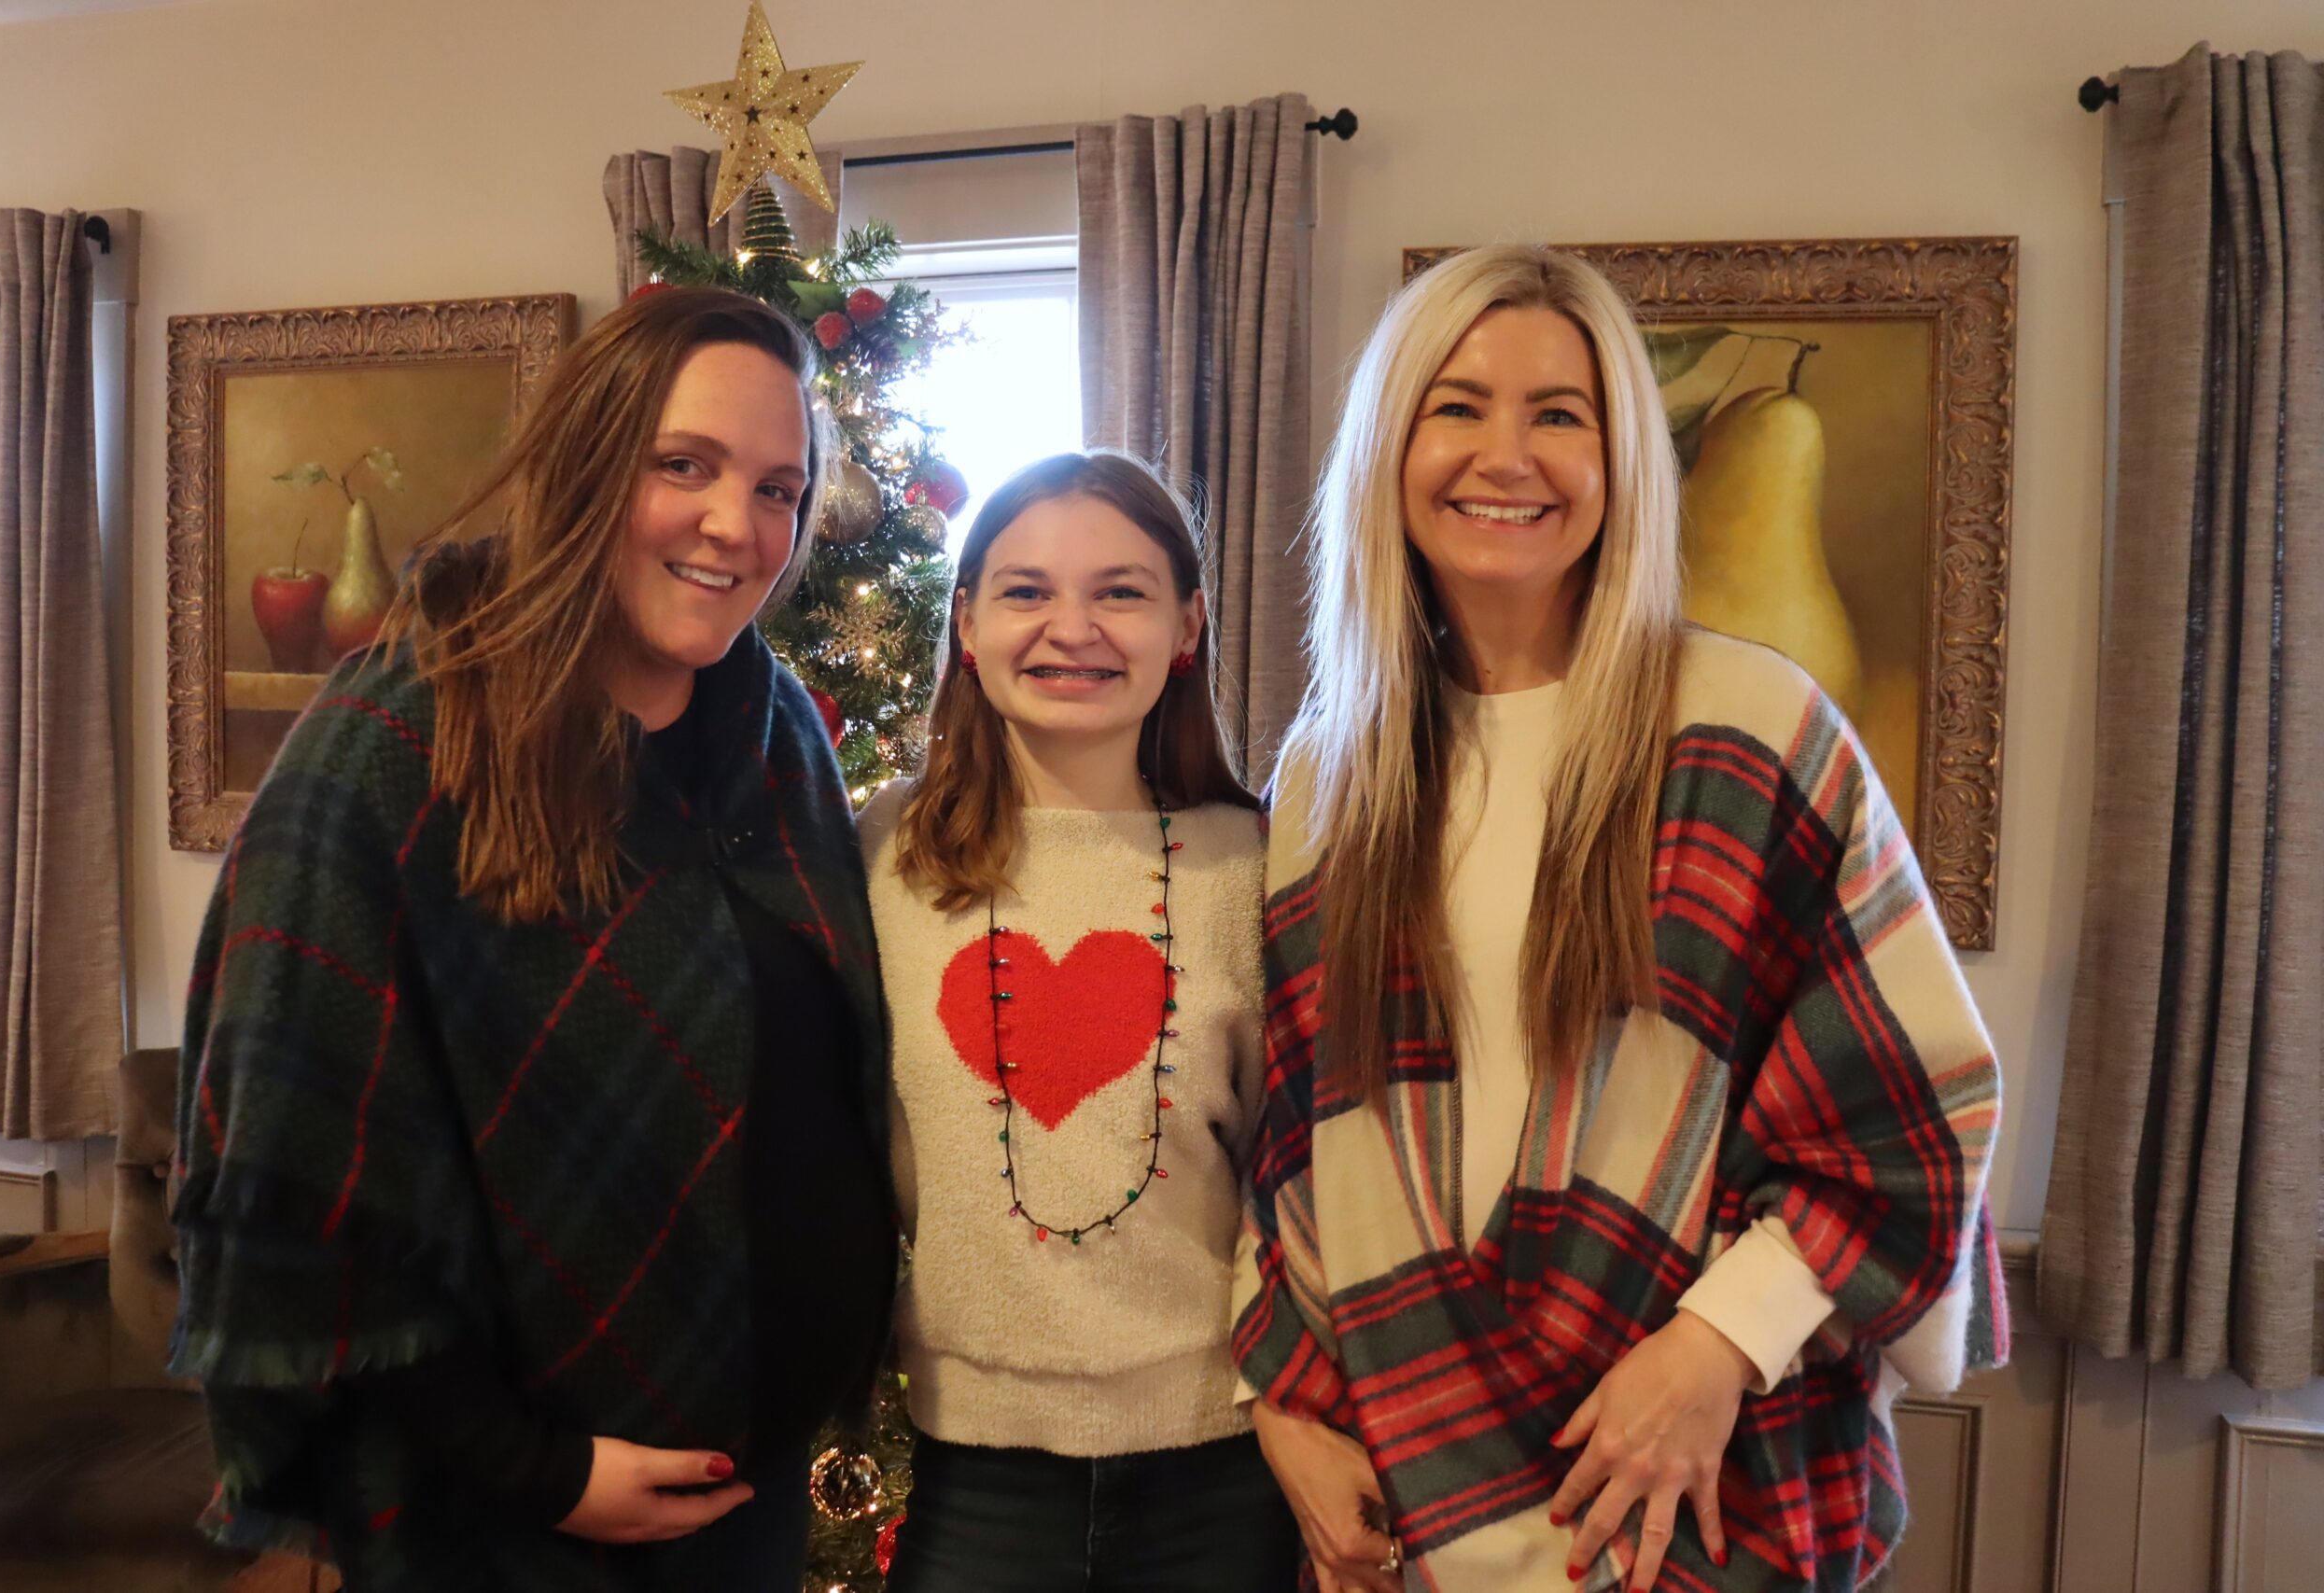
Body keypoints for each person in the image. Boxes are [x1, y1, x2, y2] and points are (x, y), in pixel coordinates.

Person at [1231, 245, 2005, 1593]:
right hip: (1405, 1475)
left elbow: (1917, 1107)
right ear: (1390, 445)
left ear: (1623, 459)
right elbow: (1295, 1138)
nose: (1505, 454)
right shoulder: (1327, 774)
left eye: (1560, 414)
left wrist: (1718, 1345)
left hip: (1686, 1478)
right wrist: (1282, 1399)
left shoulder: (1751, 729)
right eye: (1457, 405)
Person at [171, 286, 896, 1591]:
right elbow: (286, 1163)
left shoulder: (769, 723)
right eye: (686, 465)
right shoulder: (399, 738)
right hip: (519, 1515)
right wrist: (531, 1464)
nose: (741, 526)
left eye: (781, 488)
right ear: (585, 462)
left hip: (755, 1482)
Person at [860, 452, 1299, 1593]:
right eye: (1024, 591)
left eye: (1119, 590)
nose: (1073, 628)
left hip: (1224, 1460)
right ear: (964, 622)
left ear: (1187, 621)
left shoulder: (1253, 869)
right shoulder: (875, 859)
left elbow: (1298, 1171)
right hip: (971, 1466)